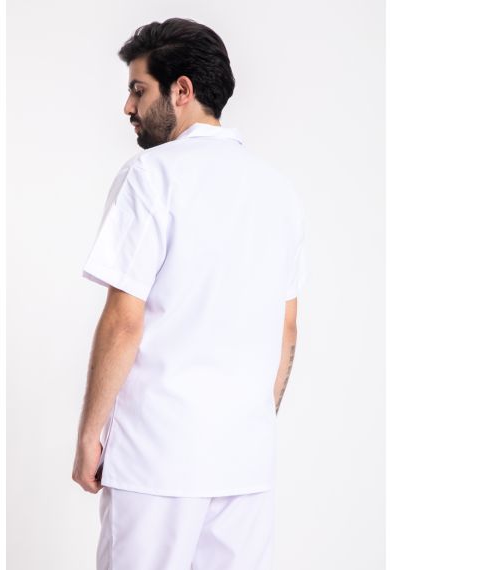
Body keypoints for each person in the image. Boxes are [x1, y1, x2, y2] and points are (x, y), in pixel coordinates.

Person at [71, 17, 307, 570]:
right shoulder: (278, 192)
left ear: (182, 90)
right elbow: (287, 327)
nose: (128, 107)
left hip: (156, 458)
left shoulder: (150, 175)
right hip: (245, 461)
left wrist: (89, 436)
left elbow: (124, 320)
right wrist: (251, 421)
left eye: (138, 89)